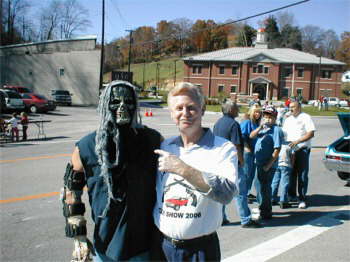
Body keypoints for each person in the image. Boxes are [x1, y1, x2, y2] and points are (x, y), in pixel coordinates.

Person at [61, 80, 162, 261]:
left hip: (145, 246)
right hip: (106, 247)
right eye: (115, 101)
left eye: (128, 101)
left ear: (136, 104)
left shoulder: (152, 140)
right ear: (104, 104)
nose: (122, 107)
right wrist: (78, 236)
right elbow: (70, 191)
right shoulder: (87, 146)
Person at [152, 82, 238, 261]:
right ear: (171, 113)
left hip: (199, 251)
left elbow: (226, 194)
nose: (185, 113)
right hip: (162, 247)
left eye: (191, 107)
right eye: (179, 108)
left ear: (202, 109)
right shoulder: (165, 146)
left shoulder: (222, 148)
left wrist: (182, 169)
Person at [213, 99, 261, 228]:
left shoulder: (218, 123)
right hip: (232, 163)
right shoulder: (233, 124)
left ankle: (221, 218)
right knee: (241, 192)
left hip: (220, 162)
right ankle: (245, 219)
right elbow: (237, 144)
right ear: (230, 110)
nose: (238, 110)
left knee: (222, 192)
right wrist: (241, 161)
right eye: (236, 108)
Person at [250, 106, 283, 220]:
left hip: (267, 165)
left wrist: (268, 165)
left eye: (270, 117)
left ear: (275, 117)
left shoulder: (276, 130)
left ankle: (266, 212)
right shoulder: (263, 128)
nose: (268, 119)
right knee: (258, 186)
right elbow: (251, 136)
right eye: (266, 116)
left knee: (265, 188)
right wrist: (260, 127)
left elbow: (277, 149)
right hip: (258, 162)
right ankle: (262, 207)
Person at [282, 100, 315, 209]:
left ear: (299, 107)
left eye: (293, 107)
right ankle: (292, 195)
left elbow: (311, 133)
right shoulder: (287, 119)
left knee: (302, 175)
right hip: (290, 150)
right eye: (289, 107)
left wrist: (298, 141)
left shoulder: (306, 117)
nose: (290, 109)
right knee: (291, 173)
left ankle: (302, 198)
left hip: (302, 150)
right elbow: (284, 134)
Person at [240, 104, 262, 203]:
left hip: (254, 152)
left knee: (251, 174)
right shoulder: (247, 122)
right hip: (247, 152)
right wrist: (246, 147)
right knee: (246, 174)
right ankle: (243, 194)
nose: (258, 114)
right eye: (256, 112)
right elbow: (241, 136)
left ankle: (247, 192)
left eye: (259, 112)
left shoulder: (256, 123)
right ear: (252, 112)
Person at [271, 139, 295, 209]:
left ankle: (272, 198)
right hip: (286, 165)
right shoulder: (290, 144)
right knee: (284, 183)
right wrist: (292, 165)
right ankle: (283, 201)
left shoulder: (276, 143)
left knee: (275, 182)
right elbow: (292, 155)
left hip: (276, 164)